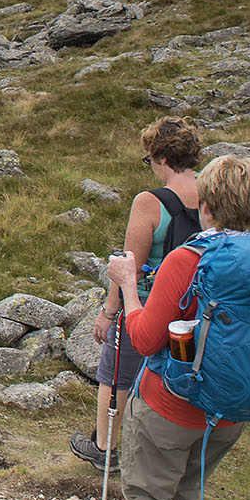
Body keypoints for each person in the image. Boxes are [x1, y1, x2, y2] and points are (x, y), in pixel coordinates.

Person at [106, 154, 250, 500]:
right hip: (235, 409)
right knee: (183, 488)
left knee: (145, 494)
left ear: (206, 205)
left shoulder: (189, 259)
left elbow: (146, 334)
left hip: (171, 404)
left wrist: (129, 285)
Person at [72, 118, 202, 472]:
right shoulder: (213, 194)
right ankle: (173, 447)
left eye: (149, 159)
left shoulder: (150, 202)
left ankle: (105, 448)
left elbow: (131, 264)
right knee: (181, 373)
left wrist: (109, 310)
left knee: (116, 375)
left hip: (146, 304)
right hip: (196, 310)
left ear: (161, 157)